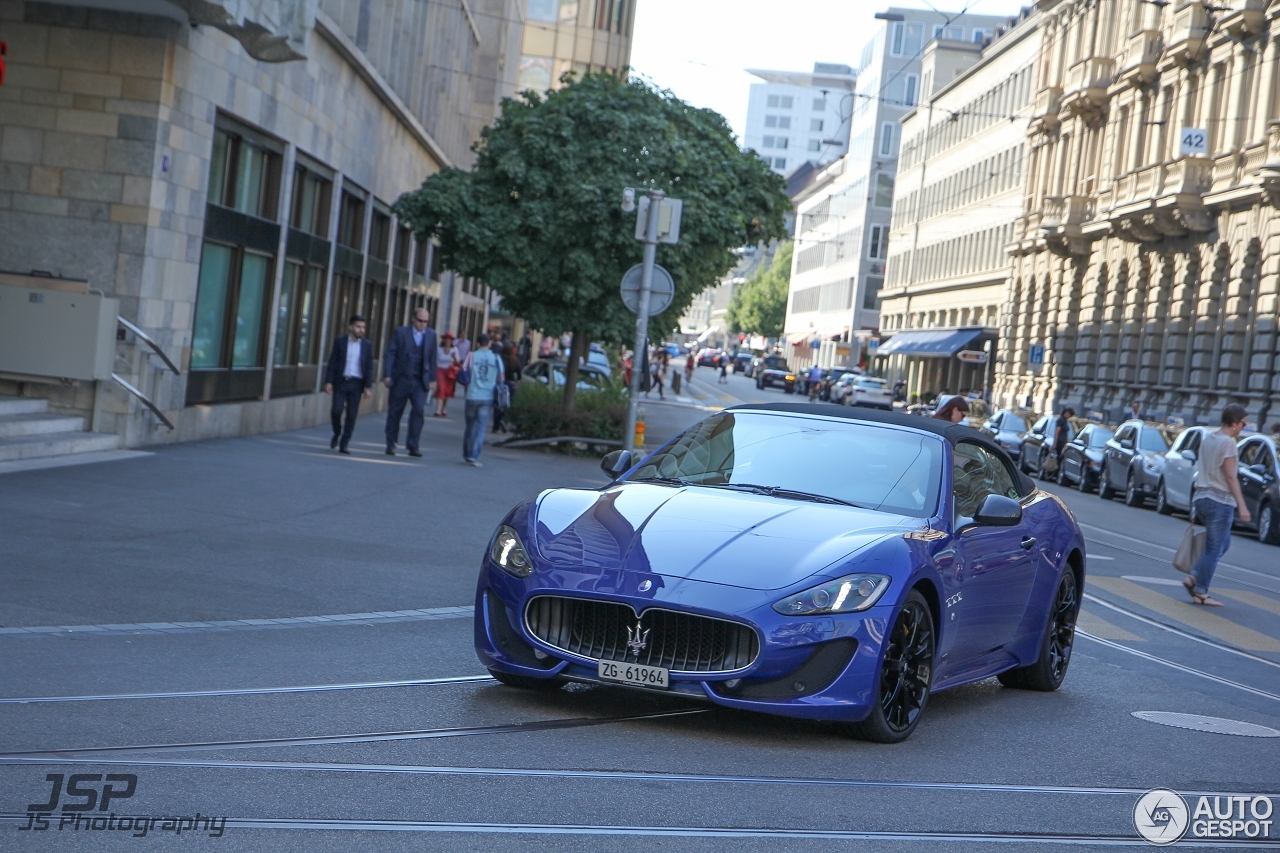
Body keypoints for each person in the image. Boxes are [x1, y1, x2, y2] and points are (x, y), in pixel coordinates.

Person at [1184, 404, 1251, 606]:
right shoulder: (1228, 443)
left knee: (1223, 542)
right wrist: (1242, 505)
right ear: (1234, 423)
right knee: (1214, 548)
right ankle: (1201, 591)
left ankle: (1195, 576)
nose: (1243, 428)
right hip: (1219, 500)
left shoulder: (1208, 438)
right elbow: (1230, 476)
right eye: (1243, 424)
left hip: (1201, 498)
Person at [382, 308, 438, 457]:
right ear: (413, 319)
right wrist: (387, 374)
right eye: (420, 320)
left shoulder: (431, 335)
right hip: (401, 378)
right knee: (395, 412)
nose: (422, 324)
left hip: (420, 381)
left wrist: (432, 379)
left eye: (425, 321)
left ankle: (413, 445)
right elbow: (390, 354)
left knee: (418, 412)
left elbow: (433, 358)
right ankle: (391, 443)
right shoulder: (401, 333)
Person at [324, 314, 374, 455]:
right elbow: (333, 362)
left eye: (363, 327)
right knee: (336, 410)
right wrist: (328, 381)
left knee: (352, 415)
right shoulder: (340, 341)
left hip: (356, 383)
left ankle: (344, 443)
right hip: (341, 381)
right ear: (350, 327)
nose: (361, 330)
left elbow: (369, 366)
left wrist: (368, 386)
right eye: (358, 327)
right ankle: (337, 431)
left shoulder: (367, 345)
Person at [463, 332, 504, 466]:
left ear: (478, 344)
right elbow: (501, 378)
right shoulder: (496, 358)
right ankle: (474, 456)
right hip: (487, 396)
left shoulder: (471, 355)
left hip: (472, 395)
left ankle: (467, 453)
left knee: (470, 426)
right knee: (480, 428)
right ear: (490, 344)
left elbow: (464, 374)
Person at [434, 332, 461, 418]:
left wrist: (454, 358)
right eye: (446, 339)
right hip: (440, 370)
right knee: (441, 388)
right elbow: (435, 360)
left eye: (449, 339)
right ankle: (438, 409)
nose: (447, 341)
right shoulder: (439, 349)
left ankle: (444, 408)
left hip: (450, 371)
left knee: (447, 390)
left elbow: (458, 362)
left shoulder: (454, 350)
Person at [1047, 406, 1075, 475]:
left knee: (1060, 459)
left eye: (1069, 414)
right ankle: (1052, 472)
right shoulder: (1061, 420)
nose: (1068, 415)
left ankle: (1055, 474)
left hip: (1063, 442)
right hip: (1059, 442)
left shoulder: (1065, 421)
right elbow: (1057, 432)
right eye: (1067, 413)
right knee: (1057, 459)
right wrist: (1055, 443)